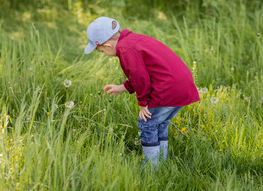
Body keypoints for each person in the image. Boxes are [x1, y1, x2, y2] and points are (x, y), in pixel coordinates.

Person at [84, 17, 200, 166]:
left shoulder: (124, 49)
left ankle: (151, 168)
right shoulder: (134, 40)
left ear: (107, 45)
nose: (104, 54)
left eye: (101, 51)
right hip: (182, 86)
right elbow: (147, 71)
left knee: (147, 123)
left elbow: (140, 77)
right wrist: (123, 87)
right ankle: (162, 163)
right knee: (161, 122)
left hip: (167, 89)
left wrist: (143, 103)